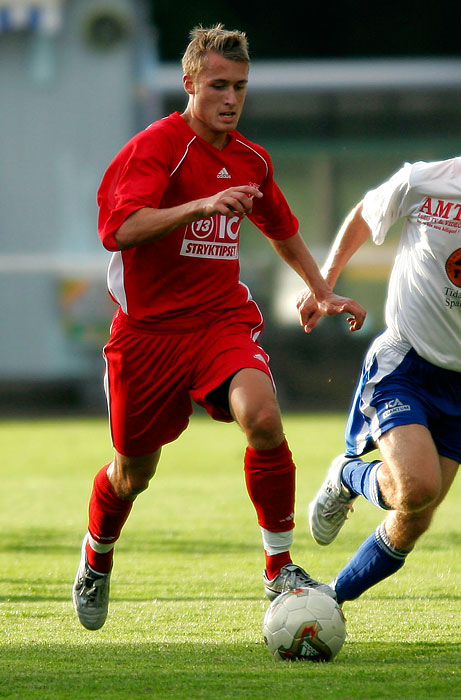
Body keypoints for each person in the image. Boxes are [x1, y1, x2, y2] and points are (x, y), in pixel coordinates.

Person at [72, 23, 366, 631]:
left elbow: (281, 228)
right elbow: (119, 231)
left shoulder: (251, 160)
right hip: (147, 334)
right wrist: (198, 206)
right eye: (217, 86)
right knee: (132, 474)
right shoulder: (158, 147)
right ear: (189, 84)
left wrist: (321, 290)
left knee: (262, 416)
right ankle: (96, 557)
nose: (230, 99)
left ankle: (279, 567)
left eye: (240, 87)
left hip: (219, 322)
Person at [298, 68, 461, 605]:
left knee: (414, 517)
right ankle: (349, 474)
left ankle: (329, 600)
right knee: (415, 488)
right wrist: (322, 283)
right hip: (405, 361)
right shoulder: (424, 180)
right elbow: (362, 215)